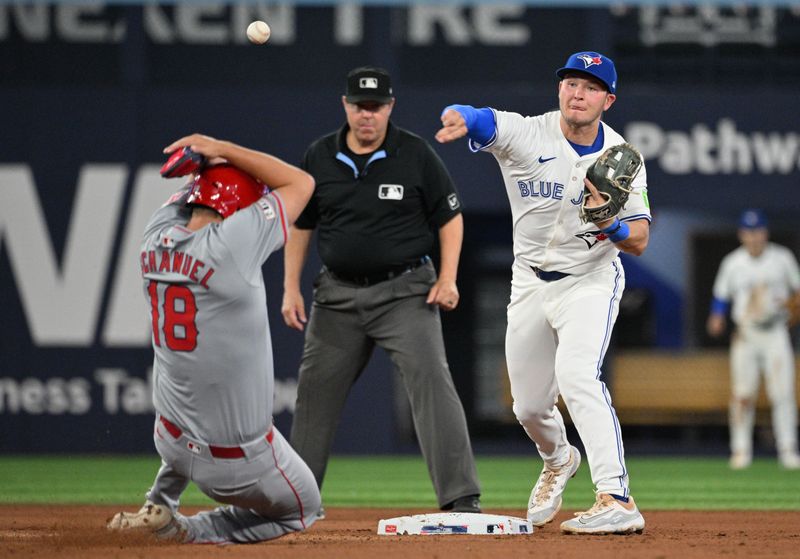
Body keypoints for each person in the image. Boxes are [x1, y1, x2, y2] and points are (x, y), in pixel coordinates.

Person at [435, 51, 650, 534]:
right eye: (572, 82)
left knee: (577, 377)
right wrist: (460, 116)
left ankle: (617, 496)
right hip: (530, 280)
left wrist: (610, 222)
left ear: (608, 100)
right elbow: (483, 120)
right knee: (528, 405)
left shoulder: (622, 158)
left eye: (591, 86)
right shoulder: (529, 133)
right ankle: (558, 458)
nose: (578, 92)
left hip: (590, 280)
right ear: (559, 90)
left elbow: (637, 240)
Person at [281, 66, 482, 514]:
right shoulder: (319, 156)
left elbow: (449, 216)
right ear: (345, 106)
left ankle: (461, 497)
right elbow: (302, 224)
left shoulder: (414, 153)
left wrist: (447, 277)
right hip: (336, 298)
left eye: (375, 106)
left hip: (405, 292)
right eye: (359, 105)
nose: (366, 115)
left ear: (390, 107)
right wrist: (289, 288)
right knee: (314, 392)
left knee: (431, 380)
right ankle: (294, 501)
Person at [107, 134, 320, 543]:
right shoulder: (233, 244)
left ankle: (159, 502)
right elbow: (301, 184)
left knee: (190, 400)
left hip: (169, 441)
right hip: (236, 466)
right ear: (239, 209)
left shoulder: (154, 236)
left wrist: (201, 168)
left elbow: (185, 203)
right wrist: (219, 147)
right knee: (304, 510)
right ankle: (186, 531)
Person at [706, 209, 800, 470]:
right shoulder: (733, 262)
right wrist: (717, 316)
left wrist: (793, 307)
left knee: (782, 393)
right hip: (746, 334)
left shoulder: (781, 258)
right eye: (748, 232)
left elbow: (797, 291)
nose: (754, 237)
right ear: (741, 234)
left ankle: (788, 449)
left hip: (776, 333)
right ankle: (741, 450)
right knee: (742, 394)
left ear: (765, 232)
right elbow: (721, 296)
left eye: (757, 231)